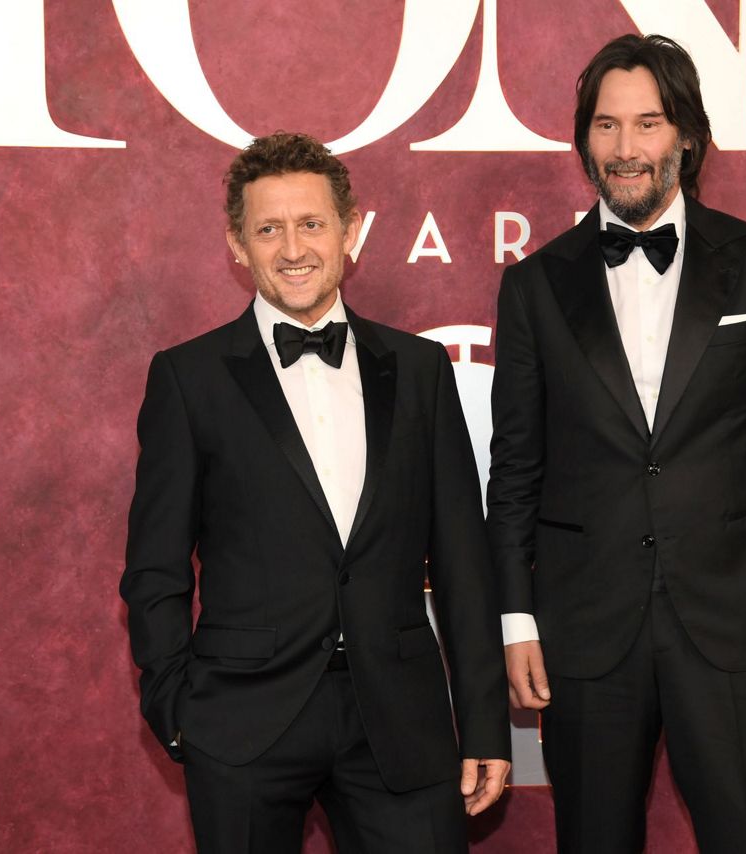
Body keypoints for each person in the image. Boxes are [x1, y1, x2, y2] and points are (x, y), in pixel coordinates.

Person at [486, 34, 746, 853]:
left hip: (733, 621)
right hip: (586, 629)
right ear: (584, 140)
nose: (626, 147)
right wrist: (516, 618)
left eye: (647, 123)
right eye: (606, 125)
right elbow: (516, 469)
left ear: (687, 134)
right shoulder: (534, 286)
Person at [121, 132, 510, 854]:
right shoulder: (189, 378)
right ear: (238, 245)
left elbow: (463, 560)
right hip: (242, 723)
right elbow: (155, 567)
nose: (293, 248)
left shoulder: (421, 370)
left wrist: (484, 722)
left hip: (400, 719)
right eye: (269, 229)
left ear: (349, 232)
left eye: (311, 224)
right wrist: (178, 711)